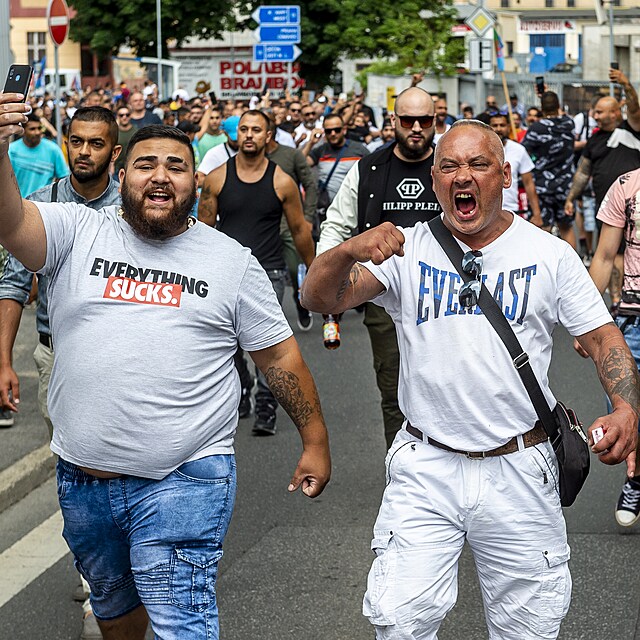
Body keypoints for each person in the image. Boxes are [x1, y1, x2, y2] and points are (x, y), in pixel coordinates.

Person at [0, 95, 331, 640]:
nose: (160, 177)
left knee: (182, 622)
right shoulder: (77, 231)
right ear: (122, 173)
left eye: (175, 167)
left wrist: (314, 440)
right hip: (84, 480)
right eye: (147, 164)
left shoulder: (229, 261)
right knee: (111, 608)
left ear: (195, 182)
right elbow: (11, 221)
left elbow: (279, 357)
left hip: (184, 478)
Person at [301, 119, 639, 639]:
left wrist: (625, 407)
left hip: (519, 467)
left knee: (528, 628)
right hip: (426, 467)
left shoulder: (549, 254)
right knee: (400, 622)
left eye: (478, 164)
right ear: (434, 179)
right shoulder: (406, 251)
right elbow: (320, 298)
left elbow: (602, 338)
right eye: (450, 166)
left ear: (505, 175)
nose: (464, 176)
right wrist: (346, 250)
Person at [0, 105, 122, 640]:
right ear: (65, 143)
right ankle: (96, 566)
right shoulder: (43, 203)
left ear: (113, 152)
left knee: (123, 459)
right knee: (74, 464)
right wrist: (3, 360)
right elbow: (12, 283)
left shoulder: (135, 203)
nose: (84, 152)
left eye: (96, 144)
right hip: (57, 355)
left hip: (125, 355)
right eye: (76, 141)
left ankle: (119, 576)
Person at [317, 86, 442, 449]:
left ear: (436, 122)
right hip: (383, 300)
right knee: (393, 389)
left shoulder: (450, 166)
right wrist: (327, 280)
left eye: (425, 120)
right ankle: (403, 472)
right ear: (392, 122)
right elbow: (337, 226)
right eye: (407, 120)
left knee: (449, 384)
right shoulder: (369, 169)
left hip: (446, 296)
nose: (416, 128)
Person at [198, 110, 316, 436]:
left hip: (270, 272)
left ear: (268, 137)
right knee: (229, 342)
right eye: (244, 129)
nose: (249, 135)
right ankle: (244, 383)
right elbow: (203, 230)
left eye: (256, 130)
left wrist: (315, 272)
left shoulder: (282, 181)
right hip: (224, 272)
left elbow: (299, 230)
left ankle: (266, 402)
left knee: (267, 346)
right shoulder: (216, 178)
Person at [577, 167, 640, 527]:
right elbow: (603, 255)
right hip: (633, 318)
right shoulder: (626, 186)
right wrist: (585, 320)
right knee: (628, 409)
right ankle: (637, 477)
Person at [565, 67, 640, 314]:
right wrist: (571, 197)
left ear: (615, 113)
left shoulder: (631, 129)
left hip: (633, 207)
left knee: (626, 253)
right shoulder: (594, 139)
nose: (594, 115)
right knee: (609, 253)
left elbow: (635, 107)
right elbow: (583, 172)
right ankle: (618, 301)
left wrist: (626, 84)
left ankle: (624, 300)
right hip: (606, 208)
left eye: (599, 111)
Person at [264, 115, 318, 333]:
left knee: (297, 271)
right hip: (263, 229)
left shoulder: (291, 155)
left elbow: (310, 185)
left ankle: (301, 303)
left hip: (290, 225)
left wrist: (307, 218)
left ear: (269, 134)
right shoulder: (248, 159)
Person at [522, 91, 576, 246]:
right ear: (558, 106)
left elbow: (523, 152)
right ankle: (571, 267)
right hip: (566, 186)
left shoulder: (536, 128)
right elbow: (560, 115)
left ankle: (544, 268)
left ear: (541, 108)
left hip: (542, 186)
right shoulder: (569, 123)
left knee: (542, 229)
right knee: (566, 228)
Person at [489, 111, 543, 225]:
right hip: (486, 212)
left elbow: (528, 183)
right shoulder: (479, 149)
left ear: (509, 127)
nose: (499, 129)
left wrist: (537, 214)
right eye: (495, 125)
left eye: (502, 125)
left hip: (512, 212)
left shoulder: (519, 150)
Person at [8, 111, 69, 197]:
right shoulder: (11, 150)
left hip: (43, 207)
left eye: (39, 128)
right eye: (32, 129)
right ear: (23, 130)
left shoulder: (53, 150)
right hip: (17, 204)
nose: (37, 132)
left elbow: (63, 178)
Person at [196, 115, 240, 180]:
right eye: (234, 140)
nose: (238, 142)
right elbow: (199, 178)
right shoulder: (215, 153)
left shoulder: (251, 151)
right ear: (225, 133)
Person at [114, 105, 135, 175]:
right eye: (121, 115)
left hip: (133, 168)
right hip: (117, 168)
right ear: (117, 116)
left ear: (130, 116)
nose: (124, 117)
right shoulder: (114, 132)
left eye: (127, 115)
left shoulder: (136, 132)